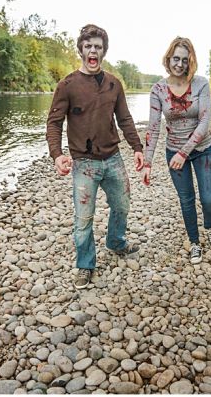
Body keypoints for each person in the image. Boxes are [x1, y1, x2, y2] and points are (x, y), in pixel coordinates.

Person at [46, 24, 144, 289]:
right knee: (83, 218)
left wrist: (137, 147)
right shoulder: (67, 85)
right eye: (88, 46)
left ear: (104, 51)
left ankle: (116, 242)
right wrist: (57, 155)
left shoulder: (114, 84)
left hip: (113, 158)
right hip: (84, 163)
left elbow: (125, 118)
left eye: (98, 47)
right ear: (81, 50)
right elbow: (54, 123)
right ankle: (85, 264)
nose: (93, 51)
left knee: (122, 204)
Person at [141, 36, 211, 265]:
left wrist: (184, 153)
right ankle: (194, 242)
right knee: (186, 199)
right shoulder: (158, 89)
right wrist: (147, 163)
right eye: (176, 58)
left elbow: (204, 122)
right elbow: (153, 128)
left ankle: (209, 226)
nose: (180, 64)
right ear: (168, 59)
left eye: (185, 60)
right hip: (173, 150)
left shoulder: (201, 84)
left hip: (203, 149)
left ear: (190, 61)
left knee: (210, 200)